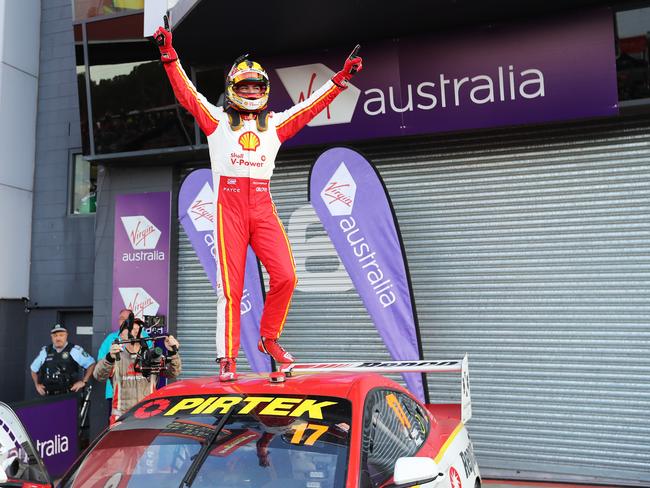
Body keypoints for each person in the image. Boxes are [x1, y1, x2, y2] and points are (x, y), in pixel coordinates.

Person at [154, 24, 363, 381]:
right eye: (244, 85)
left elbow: (310, 107)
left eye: (256, 85)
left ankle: (269, 339)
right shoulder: (218, 121)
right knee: (231, 289)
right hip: (229, 209)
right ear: (232, 90)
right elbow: (187, 94)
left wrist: (340, 79)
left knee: (286, 275)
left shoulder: (276, 124)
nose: (250, 91)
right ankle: (228, 359)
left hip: (263, 206)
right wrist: (169, 56)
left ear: (264, 91)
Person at [93, 315, 181, 424]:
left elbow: (173, 372)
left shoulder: (152, 355)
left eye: (137, 328)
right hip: (121, 420)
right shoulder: (115, 357)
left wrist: (172, 352)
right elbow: (98, 376)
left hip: (148, 417)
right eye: (131, 328)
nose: (135, 331)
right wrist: (109, 357)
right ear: (121, 334)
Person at [97, 308, 151, 416]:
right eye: (122, 319)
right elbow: (101, 362)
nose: (124, 321)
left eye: (128, 319)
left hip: (142, 393)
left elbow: (150, 360)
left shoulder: (143, 336)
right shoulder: (111, 338)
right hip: (116, 392)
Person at [30, 324, 96, 396]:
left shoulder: (74, 350)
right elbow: (33, 369)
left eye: (61, 335)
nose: (58, 338)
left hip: (68, 394)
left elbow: (91, 364)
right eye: (55, 336)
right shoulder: (46, 351)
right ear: (51, 337)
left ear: (66, 335)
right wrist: (37, 385)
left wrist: (84, 382)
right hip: (48, 395)